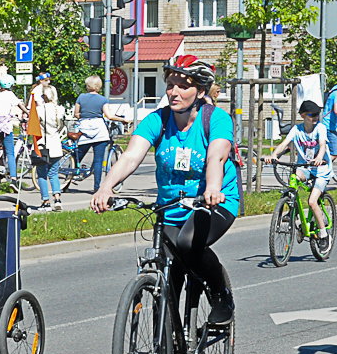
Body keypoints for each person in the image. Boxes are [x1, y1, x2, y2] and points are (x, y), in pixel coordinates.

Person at [91, 54, 238, 325]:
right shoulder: (157, 120)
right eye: (170, 84)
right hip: (170, 206)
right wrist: (106, 187)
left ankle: (221, 295)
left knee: (188, 243)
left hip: (213, 203)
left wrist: (214, 188)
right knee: (167, 274)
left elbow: (216, 155)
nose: (174, 91)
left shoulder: (216, 119)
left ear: (201, 90)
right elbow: (131, 156)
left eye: (183, 86)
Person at [265, 99, 331, 243]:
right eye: (311, 115)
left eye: (316, 115)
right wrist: (274, 155)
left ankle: (324, 234)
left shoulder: (320, 128)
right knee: (294, 177)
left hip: (321, 169)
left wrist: (319, 157)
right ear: (302, 115)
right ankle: (292, 209)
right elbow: (284, 143)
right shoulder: (296, 129)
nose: (314, 118)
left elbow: (322, 145)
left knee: (312, 202)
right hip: (305, 167)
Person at [72, 75, 126, 191]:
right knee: (98, 160)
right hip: (99, 131)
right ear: (98, 86)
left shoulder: (81, 97)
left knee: (78, 155)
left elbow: (76, 114)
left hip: (85, 129)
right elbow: (110, 116)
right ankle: (97, 188)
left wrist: (85, 115)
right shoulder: (103, 99)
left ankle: (70, 177)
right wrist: (123, 120)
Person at [35, 84, 66, 211]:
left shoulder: (39, 110)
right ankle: (57, 199)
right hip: (56, 146)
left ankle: (46, 201)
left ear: (44, 96)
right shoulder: (60, 109)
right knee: (54, 174)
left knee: (42, 174)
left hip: (43, 145)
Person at [0, 75, 23, 187]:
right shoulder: (9, 94)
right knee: (10, 153)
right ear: (10, 85)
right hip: (4, 126)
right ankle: (13, 179)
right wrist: (28, 113)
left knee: (0, 147)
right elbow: (19, 105)